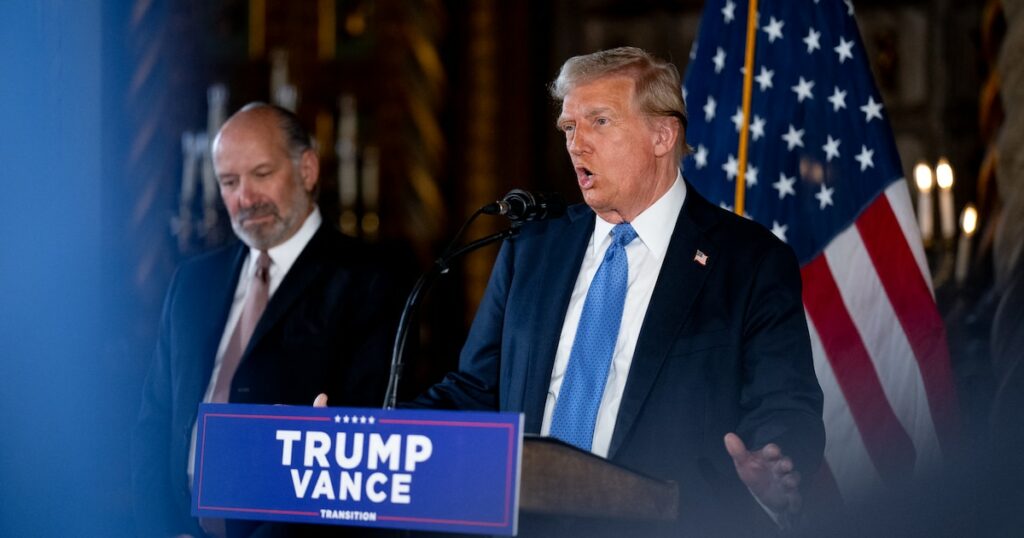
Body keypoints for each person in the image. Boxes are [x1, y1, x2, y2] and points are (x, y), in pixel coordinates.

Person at [411, 47, 825, 536]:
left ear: (662, 135)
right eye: (568, 128)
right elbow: (473, 391)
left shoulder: (749, 262)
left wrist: (773, 467)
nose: (576, 145)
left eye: (599, 122)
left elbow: (785, 408)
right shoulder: (532, 248)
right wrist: (374, 438)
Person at [132, 103, 400, 538]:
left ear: (307, 169)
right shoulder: (192, 281)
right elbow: (155, 420)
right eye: (229, 182)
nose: (246, 198)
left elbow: (360, 449)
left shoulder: (370, 281)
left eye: (261, 174)